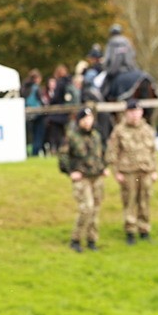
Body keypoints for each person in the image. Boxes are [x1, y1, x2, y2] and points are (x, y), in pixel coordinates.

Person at [105, 98, 158, 245]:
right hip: (128, 172)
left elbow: (153, 152)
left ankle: (144, 229)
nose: (134, 115)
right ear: (126, 113)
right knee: (129, 201)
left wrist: (155, 170)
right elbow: (112, 153)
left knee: (145, 200)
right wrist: (116, 172)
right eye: (131, 112)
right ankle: (130, 231)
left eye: (137, 111)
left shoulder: (147, 129)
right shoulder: (119, 131)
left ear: (141, 113)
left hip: (145, 170)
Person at [58, 107, 109, 253]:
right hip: (82, 178)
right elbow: (63, 157)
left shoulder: (96, 136)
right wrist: (70, 172)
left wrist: (103, 168)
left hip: (96, 177)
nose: (88, 122)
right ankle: (76, 239)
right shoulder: (72, 137)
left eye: (90, 118)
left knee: (95, 210)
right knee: (86, 208)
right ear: (79, 121)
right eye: (85, 119)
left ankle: (92, 240)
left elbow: (101, 154)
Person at [21, 69, 46, 157]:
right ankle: (35, 152)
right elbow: (42, 100)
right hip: (37, 114)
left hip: (26, 114)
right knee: (37, 135)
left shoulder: (24, 87)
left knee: (28, 135)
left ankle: (27, 152)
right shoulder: (36, 88)